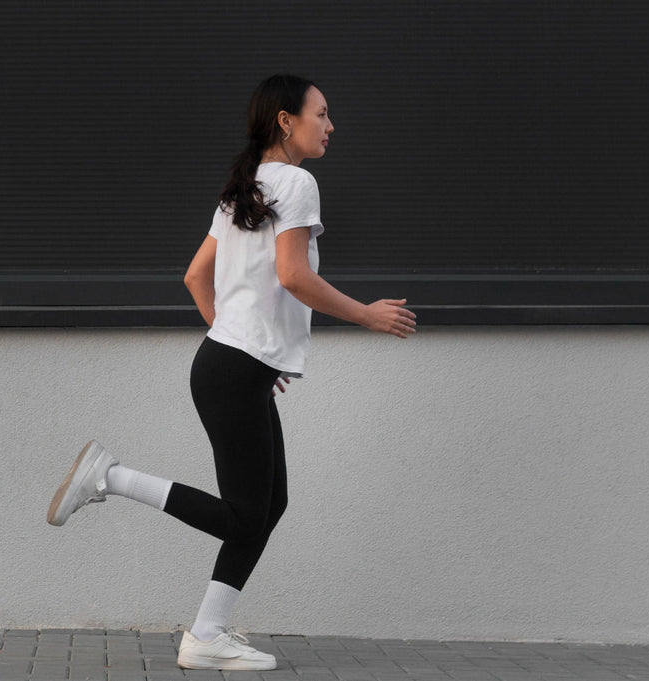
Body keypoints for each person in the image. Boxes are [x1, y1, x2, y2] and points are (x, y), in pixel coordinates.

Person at [46, 74, 416, 671]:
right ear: (286, 121)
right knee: (247, 517)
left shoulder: (242, 189)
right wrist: (366, 315)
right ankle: (110, 477)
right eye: (321, 113)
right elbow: (293, 276)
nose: (331, 125)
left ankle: (207, 632)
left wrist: (246, 343)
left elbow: (196, 277)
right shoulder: (297, 182)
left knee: (270, 505)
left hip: (231, 366)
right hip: (234, 369)